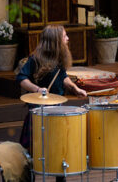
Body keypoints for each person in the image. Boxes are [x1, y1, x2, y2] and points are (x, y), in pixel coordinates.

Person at [16, 25, 87, 182]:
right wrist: (37, 89)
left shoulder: (59, 59)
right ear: (55, 41)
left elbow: (63, 77)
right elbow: (21, 78)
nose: (67, 39)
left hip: (57, 109)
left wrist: (75, 88)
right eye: (64, 36)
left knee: (59, 148)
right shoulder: (34, 59)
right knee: (34, 150)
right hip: (38, 110)